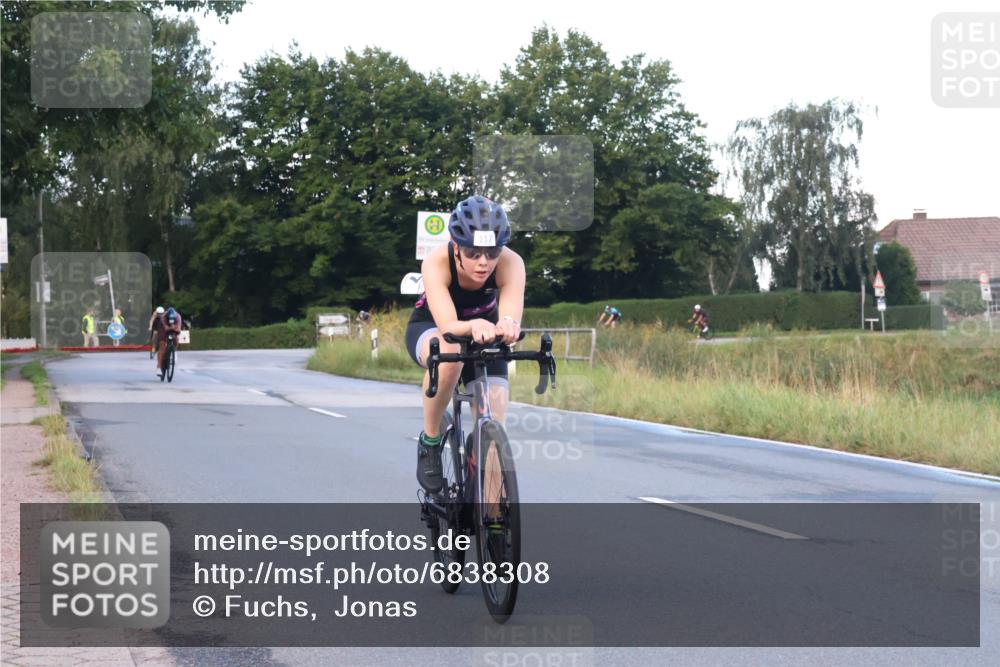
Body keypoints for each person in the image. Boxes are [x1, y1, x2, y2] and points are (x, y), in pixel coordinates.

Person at [405, 195, 524, 493]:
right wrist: (473, 325)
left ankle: (494, 523)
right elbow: (448, 327)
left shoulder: (511, 263)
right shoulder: (436, 261)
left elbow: (509, 315)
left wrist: (508, 324)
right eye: (472, 252)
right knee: (451, 352)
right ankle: (430, 442)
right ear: (456, 246)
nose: (483, 262)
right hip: (432, 327)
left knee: (495, 426)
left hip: (486, 335)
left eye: (492, 251)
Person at [152, 307, 183, 378]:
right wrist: (170, 327)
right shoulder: (163, 317)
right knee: (162, 345)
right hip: (163, 328)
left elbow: (178, 329)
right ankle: (159, 368)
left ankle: (174, 351)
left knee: (176, 338)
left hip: (174, 327)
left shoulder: (178, 317)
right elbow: (165, 328)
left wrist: (175, 328)